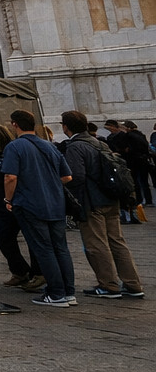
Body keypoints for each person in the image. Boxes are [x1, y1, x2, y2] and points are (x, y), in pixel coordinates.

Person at [60, 111, 144, 300]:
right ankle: (133, 284)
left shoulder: (75, 147)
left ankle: (108, 285)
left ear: (66, 126)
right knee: (117, 241)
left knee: (96, 244)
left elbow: (77, 176)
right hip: (111, 198)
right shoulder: (100, 143)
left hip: (91, 201)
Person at [1, 109, 76, 306]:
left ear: (15, 124)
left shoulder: (14, 147)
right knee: (61, 248)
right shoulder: (49, 146)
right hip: (55, 204)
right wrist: (49, 185)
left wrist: (8, 199)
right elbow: (67, 176)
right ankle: (69, 292)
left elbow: (10, 177)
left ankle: (56, 293)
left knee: (43, 249)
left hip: (30, 204)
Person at [0, 124, 39, 289]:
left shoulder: (6, 153)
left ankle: (30, 272)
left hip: (8, 203)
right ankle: (23, 271)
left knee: (7, 237)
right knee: (8, 238)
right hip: (6, 203)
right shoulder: (2, 153)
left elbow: (9, 175)